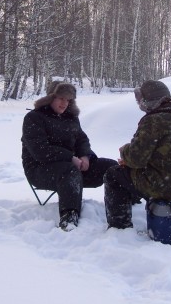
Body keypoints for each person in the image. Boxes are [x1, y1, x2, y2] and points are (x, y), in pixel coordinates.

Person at [104, 80, 171, 229]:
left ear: (147, 100)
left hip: (165, 185)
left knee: (113, 175)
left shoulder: (153, 121)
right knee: (136, 174)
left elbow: (136, 158)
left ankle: (120, 226)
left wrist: (124, 151)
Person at [22, 81, 118, 231]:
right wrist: (71, 158)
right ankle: (69, 217)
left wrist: (85, 156)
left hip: (72, 167)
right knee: (69, 171)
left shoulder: (71, 118)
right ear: (50, 98)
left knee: (111, 166)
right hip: (40, 170)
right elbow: (40, 151)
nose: (64, 103)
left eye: (68, 100)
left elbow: (81, 140)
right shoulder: (33, 118)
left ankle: (123, 204)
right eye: (61, 98)